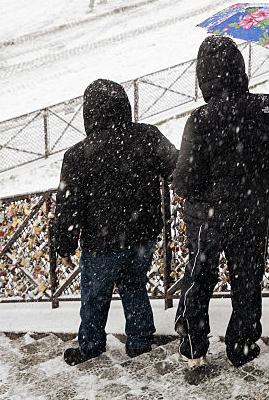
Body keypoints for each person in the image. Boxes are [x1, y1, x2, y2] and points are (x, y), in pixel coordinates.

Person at [173, 36, 269, 383]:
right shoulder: (266, 106)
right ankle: (242, 345)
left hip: (206, 220)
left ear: (203, 78)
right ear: (240, 70)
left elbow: (185, 181)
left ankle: (194, 349)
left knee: (198, 280)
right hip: (252, 214)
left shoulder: (200, 120)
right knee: (247, 281)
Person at [52, 78, 178, 366]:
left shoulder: (77, 155)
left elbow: (67, 206)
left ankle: (91, 345)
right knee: (134, 284)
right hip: (143, 234)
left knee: (95, 296)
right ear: (125, 106)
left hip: (101, 242)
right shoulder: (147, 136)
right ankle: (140, 340)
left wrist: (65, 242)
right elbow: (177, 168)